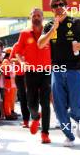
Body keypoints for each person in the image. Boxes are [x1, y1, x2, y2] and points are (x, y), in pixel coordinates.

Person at [37, 0, 80, 147]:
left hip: (73, 69)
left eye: (61, 4)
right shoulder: (49, 25)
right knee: (59, 106)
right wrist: (53, 29)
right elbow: (40, 44)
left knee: (76, 103)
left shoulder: (75, 22)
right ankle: (69, 136)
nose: (59, 7)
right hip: (56, 69)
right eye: (55, 5)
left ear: (66, 6)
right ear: (52, 9)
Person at [15, 8, 51, 144]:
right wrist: (22, 62)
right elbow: (18, 52)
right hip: (30, 72)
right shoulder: (24, 33)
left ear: (42, 17)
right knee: (31, 104)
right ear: (30, 17)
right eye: (34, 15)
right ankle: (35, 117)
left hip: (46, 71)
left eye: (39, 15)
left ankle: (45, 133)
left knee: (45, 102)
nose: (36, 17)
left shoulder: (49, 32)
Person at [10, 42, 30, 128]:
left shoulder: (33, 44)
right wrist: (21, 60)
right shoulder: (16, 45)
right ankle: (26, 121)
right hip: (19, 75)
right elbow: (11, 59)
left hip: (31, 74)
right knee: (23, 99)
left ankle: (35, 119)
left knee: (32, 98)